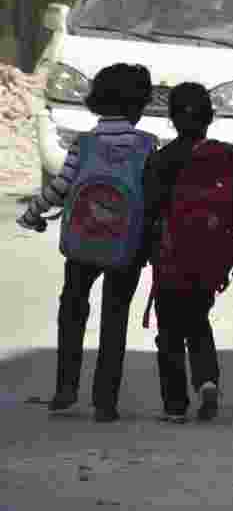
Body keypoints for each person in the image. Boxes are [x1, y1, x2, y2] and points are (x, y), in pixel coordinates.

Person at [17, 63, 157, 423]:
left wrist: (33, 213)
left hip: (83, 242)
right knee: (115, 315)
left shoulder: (85, 144)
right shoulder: (146, 146)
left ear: (96, 102)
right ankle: (105, 401)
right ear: (140, 106)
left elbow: (61, 188)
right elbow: (153, 198)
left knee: (73, 306)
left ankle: (66, 389)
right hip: (127, 246)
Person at [143, 82, 233, 423]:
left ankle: (175, 404)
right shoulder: (229, 156)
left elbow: (149, 210)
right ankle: (207, 380)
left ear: (172, 118)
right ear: (210, 117)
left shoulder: (161, 160)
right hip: (211, 257)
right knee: (197, 321)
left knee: (170, 331)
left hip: (170, 256)